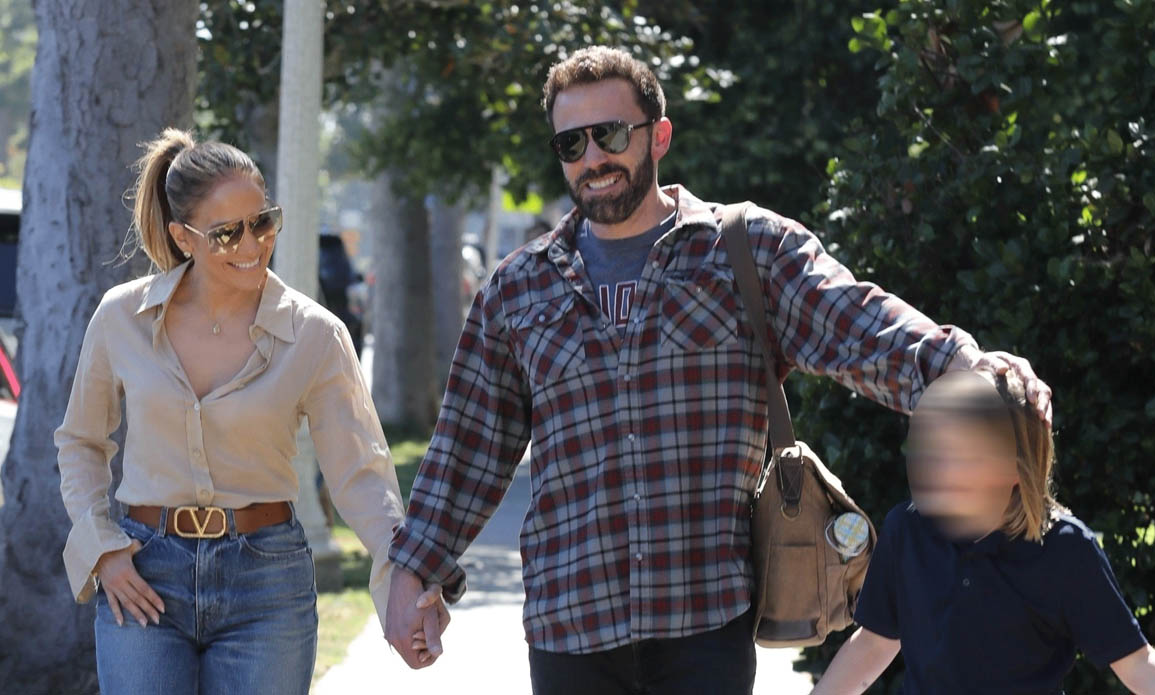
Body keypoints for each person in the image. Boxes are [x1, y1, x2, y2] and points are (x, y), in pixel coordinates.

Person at [384, 46, 1052, 692]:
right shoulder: (518, 289)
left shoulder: (745, 251)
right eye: (571, 144)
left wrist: (969, 368)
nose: (593, 158)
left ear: (659, 135)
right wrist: (413, 571)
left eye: (610, 134)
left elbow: (859, 325)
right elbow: (467, 446)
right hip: (570, 628)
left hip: (706, 626)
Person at [55, 128, 445, 693]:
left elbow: (362, 475)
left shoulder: (315, 334)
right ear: (182, 237)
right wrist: (102, 550)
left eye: (262, 222)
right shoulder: (122, 317)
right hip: (143, 575)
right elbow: (81, 442)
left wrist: (402, 582)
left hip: (267, 584)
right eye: (226, 233)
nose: (252, 245)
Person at [812, 370, 1155, 694]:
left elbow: (1138, 663)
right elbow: (874, 643)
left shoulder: (1065, 550)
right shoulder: (906, 531)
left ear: (1017, 467)